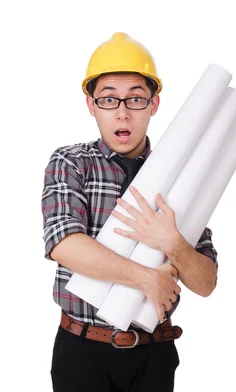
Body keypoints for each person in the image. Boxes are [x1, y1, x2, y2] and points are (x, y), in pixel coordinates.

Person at [41, 32, 218, 392]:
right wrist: (146, 278)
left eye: (136, 98)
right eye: (109, 99)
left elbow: (206, 282)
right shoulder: (71, 162)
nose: (122, 111)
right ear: (91, 105)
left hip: (155, 353)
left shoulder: (181, 178)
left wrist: (174, 243)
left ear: (154, 104)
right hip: (83, 352)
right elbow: (65, 245)